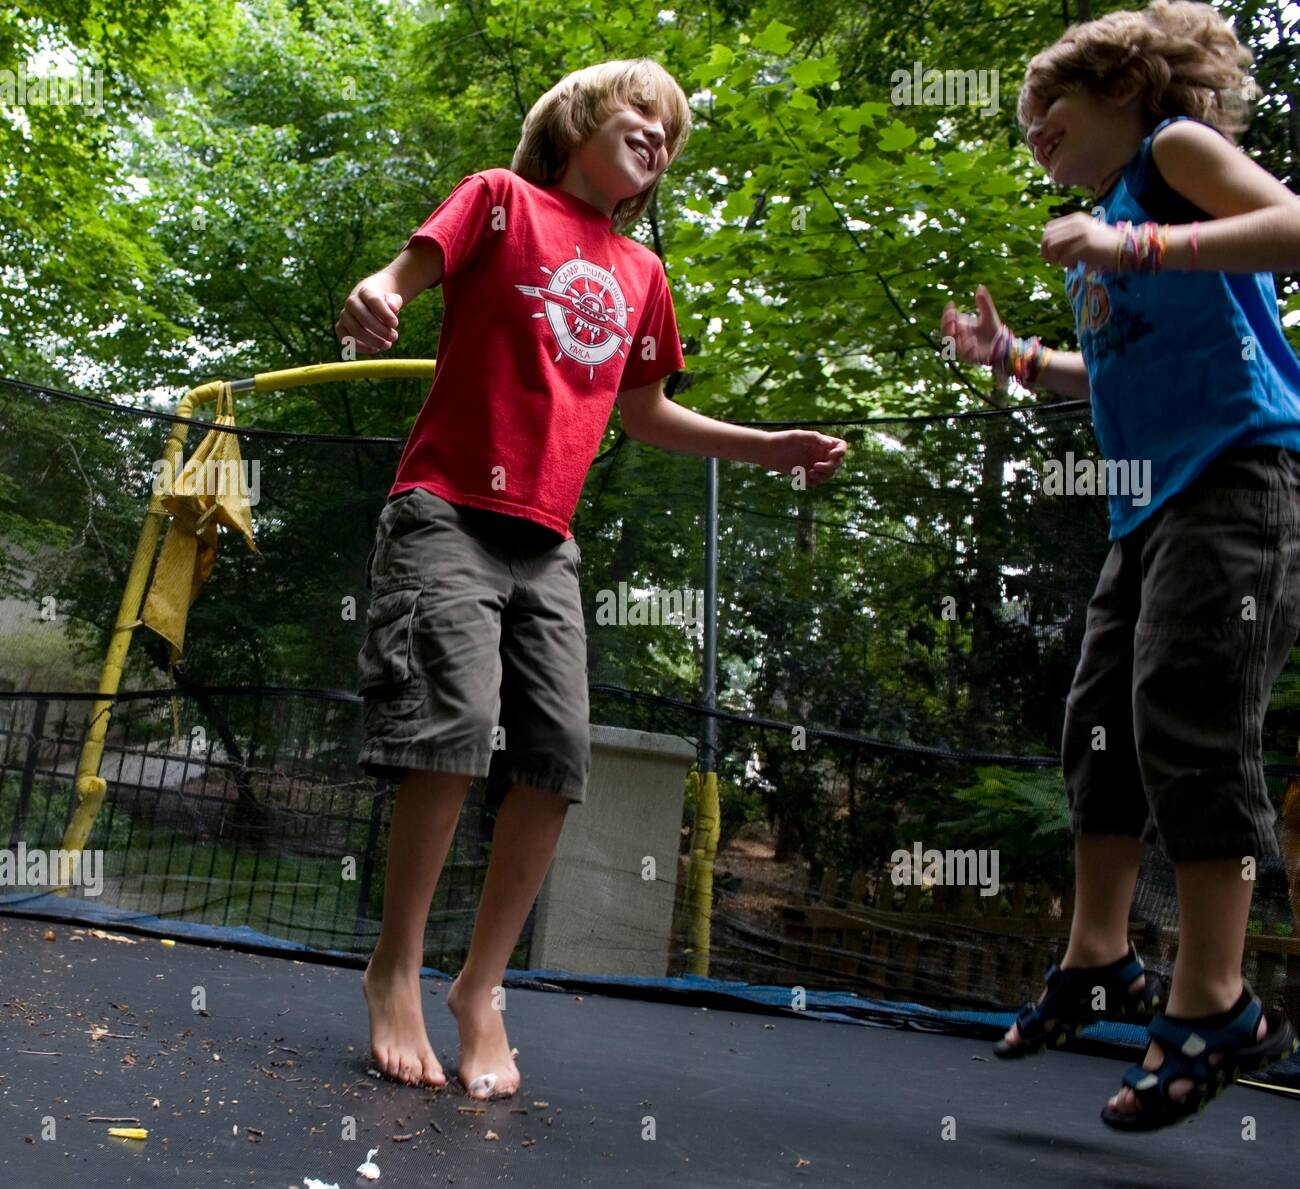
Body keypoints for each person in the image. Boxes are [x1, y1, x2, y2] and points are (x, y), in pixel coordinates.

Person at [334, 58, 846, 1099]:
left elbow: (648, 412)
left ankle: (480, 988)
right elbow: (406, 269)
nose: (657, 135)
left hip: (545, 539)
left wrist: (768, 446)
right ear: (574, 124)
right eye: (640, 115)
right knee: (451, 724)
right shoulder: (501, 199)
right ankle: (395, 967)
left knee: (557, 753)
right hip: (446, 511)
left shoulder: (642, 273)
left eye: (670, 133)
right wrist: (379, 294)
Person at [942, 0, 1300, 1130]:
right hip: (1143, 508)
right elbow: (1112, 376)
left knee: (1193, 720)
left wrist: (1136, 238)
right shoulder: (1098, 227)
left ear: (1126, 89)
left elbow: (1291, 228)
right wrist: (1014, 358)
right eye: (1022, 115)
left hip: (1241, 475)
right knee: (1101, 724)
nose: (1032, 124)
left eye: (1051, 102)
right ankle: (1098, 955)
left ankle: (1213, 1000)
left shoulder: (1169, 157)